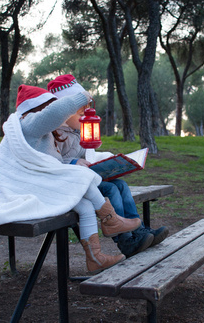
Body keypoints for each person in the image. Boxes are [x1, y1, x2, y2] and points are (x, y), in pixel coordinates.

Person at [0, 84, 141, 274]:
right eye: (50, 106)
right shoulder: (29, 125)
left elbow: (53, 164)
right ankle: (110, 219)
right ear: (39, 108)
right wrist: (83, 96)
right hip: (33, 187)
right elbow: (55, 113)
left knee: (85, 206)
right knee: (80, 176)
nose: (62, 116)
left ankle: (95, 258)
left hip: (45, 185)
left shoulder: (45, 134)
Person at [47, 74, 169, 257]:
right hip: (69, 185)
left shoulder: (77, 131)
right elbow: (49, 163)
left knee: (120, 185)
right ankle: (125, 240)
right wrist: (73, 162)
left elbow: (87, 155)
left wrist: (106, 163)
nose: (84, 114)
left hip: (84, 179)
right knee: (111, 190)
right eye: (80, 112)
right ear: (64, 111)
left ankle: (139, 230)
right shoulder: (54, 134)